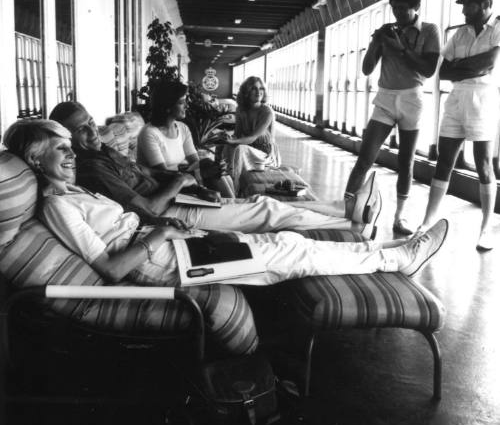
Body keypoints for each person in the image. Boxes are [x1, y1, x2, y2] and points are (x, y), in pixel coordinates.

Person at [4, 120, 448, 293]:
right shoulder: (58, 208)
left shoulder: (75, 193)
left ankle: (385, 249)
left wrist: (167, 229)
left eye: (70, 147)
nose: (70, 155)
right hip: (164, 262)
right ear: (33, 160)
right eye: (59, 149)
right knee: (289, 251)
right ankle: (397, 257)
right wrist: (163, 232)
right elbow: (111, 270)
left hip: (173, 247)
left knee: (284, 240)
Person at [49, 101, 382, 237]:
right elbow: (147, 209)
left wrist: (192, 182)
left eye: (91, 123)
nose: (93, 131)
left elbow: (150, 176)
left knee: (265, 204)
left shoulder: (104, 150)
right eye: (82, 130)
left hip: (183, 200)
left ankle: (348, 209)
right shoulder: (91, 169)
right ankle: (351, 222)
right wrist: (181, 182)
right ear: (66, 138)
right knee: (267, 211)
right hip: (171, 217)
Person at [344, 0, 440, 236]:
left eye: (402, 9)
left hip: (412, 97)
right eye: (394, 8)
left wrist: (402, 49)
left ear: (416, 6)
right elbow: (366, 69)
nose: (397, 13)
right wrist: (377, 41)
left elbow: (428, 70)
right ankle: (345, 209)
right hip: (386, 98)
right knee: (365, 157)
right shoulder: (388, 30)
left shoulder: (430, 31)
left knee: (406, 161)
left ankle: (400, 216)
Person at [418, 0, 500, 251]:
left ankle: (486, 228)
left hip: (483, 100)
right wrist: (472, 68)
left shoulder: (498, 28)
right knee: (444, 161)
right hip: (455, 100)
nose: (464, 10)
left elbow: (490, 63)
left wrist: (466, 67)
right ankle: (428, 220)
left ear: (485, 4)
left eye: (469, 5)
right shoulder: (459, 34)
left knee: (484, 165)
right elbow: (446, 73)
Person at [136, 79, 236, 198]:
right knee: (212, 173)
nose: (187, 106)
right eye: (182, 102)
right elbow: (161, 174)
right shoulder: (149, 133)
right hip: (162, 188)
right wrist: (200, 173)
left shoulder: (182, 128)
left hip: (181, 180)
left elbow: (195, 162)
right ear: (168, 106)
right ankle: (233, 205)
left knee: (215, 169)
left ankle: (232, 204)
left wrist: (214, 167)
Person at [219, 77, 279, 194]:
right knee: (224, 147)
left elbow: (253, 137)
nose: (258, 92)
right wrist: (227, 138)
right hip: (249, 148)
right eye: (253, 88)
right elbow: (237, 134)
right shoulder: (241, 110)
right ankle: (225, 182)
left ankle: (234, 190)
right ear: (246, 92)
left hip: (265, 154)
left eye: (261, 88)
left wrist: (234, 142)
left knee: (240, 149)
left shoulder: (267, 111)